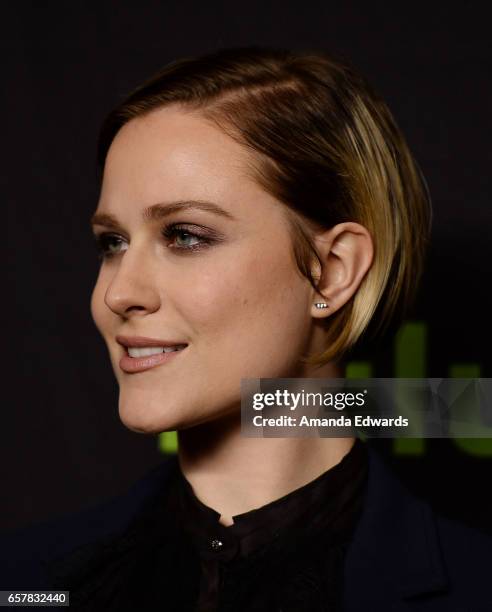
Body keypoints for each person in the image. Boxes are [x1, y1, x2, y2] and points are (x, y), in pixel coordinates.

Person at [1, 46, 490, 611]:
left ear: (331, 272)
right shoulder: (26, 581)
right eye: (112, 243)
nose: (117, 293)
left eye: (185, 235)